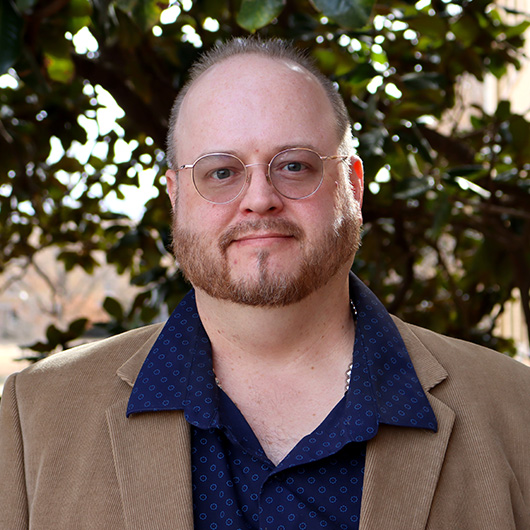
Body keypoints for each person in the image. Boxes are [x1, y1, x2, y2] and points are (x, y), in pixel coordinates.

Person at [1, 37, 529, 530]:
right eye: (221, 172)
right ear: (175, 196)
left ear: (353, 186)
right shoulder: (36, 417)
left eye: (295, 166)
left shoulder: (516, 412)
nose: (259, 198)